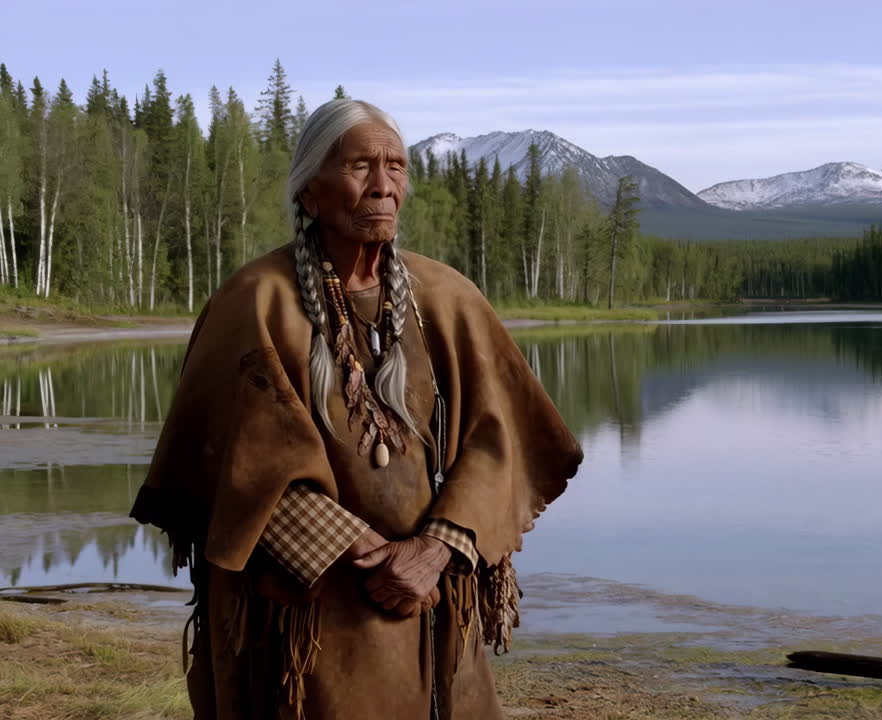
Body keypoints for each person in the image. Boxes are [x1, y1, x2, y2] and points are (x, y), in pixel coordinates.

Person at [131, 98, 583, 719]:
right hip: (310, 616)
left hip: (435, 605)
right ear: (310, 190)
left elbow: (499, 440)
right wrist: (367, 552)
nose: (383, 186)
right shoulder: (256, 302)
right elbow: (237, 464)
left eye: (396, 167)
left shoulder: (447, 299)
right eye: (360, 166)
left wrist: (434, 550)